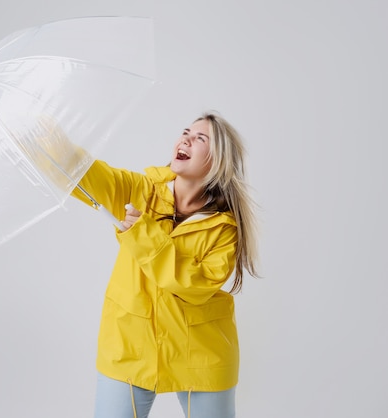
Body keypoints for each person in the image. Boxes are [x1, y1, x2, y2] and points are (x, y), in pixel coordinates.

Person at [71, 112, 259, 418]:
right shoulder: (139, 191)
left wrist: (141, 234)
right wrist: (40, 137)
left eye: (200, 138)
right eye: (185, 132)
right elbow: (86, 173)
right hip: (129, 348)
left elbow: (194, 287)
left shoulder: (225, 228)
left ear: (218, 161)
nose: (185, 139)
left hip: (203, 354)